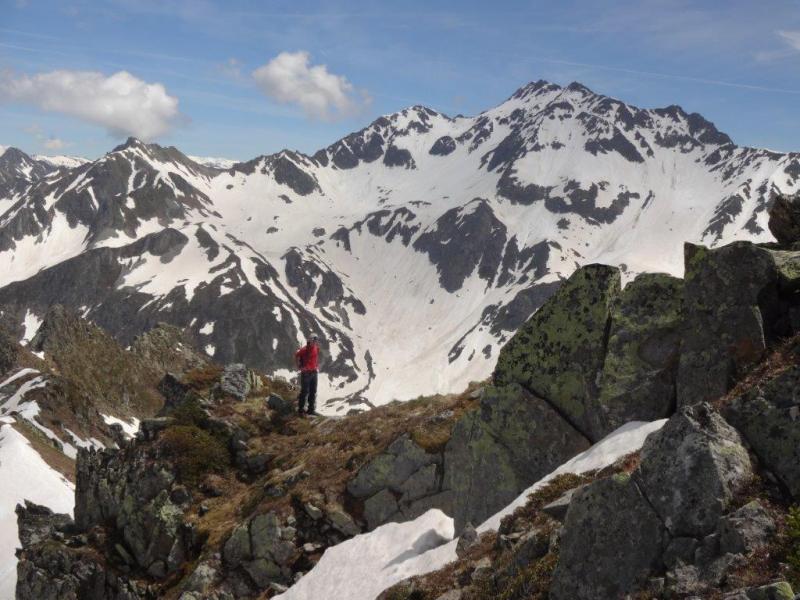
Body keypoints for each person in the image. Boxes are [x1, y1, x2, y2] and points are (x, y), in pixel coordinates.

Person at [294, 334, 320, 416]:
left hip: (314, 372)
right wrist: (299, 367)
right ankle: (300, 410)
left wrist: (316, 366)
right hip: (306, 374)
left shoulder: (316, 348)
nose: (315, 342)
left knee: (313, 391)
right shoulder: (304, 349)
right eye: (314, 340)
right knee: (304, 391)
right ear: (310, 340)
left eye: (316, 340)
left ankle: (310, 410)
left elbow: (315, 357)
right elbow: (296, 355)